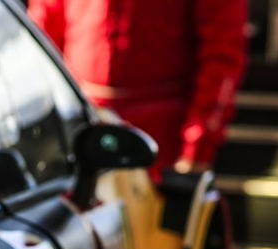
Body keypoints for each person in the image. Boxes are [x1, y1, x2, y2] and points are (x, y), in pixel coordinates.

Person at [28, 0, 248, 176]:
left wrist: (196, 149)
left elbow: (221, 55)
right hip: (78, 125)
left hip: (162, 138)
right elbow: (42, 30)